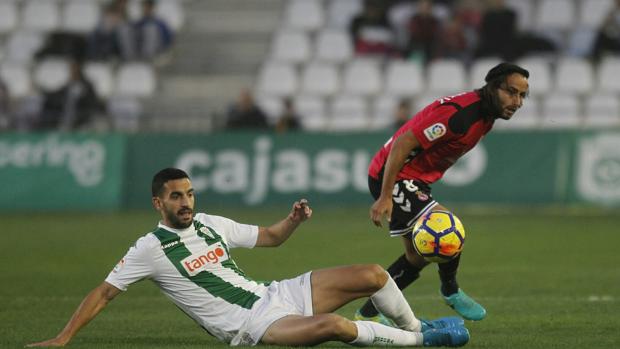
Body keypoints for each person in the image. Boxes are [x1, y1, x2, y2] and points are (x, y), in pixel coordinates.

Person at [27, 168, 470, 348]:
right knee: (336, 326)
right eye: (176, 197)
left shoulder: (210, 224)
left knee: (373, 273)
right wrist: (64, 338)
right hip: (254, 326)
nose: (186, 202)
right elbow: (104, 292)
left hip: (276, 295)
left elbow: (272, 238)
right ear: (157, 204)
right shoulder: (150, 248)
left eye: (190, 193)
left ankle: (415, 327)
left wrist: (293, 220)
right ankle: (422, 342)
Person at [354, 63, 529, 325]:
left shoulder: (487, 116)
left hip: (414, 180)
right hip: (394, 176)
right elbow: (402, 144)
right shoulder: (460, 116)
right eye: (511, 92)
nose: (517, 102)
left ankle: (367, 314)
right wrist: (385, 195)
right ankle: (450, 290)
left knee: (417, 256)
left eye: (522, 96)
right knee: (446, 227)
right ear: (493, 87)